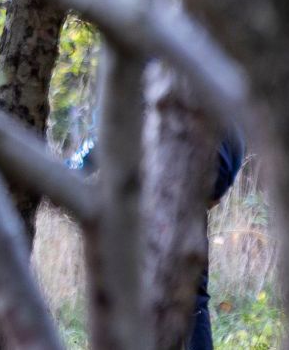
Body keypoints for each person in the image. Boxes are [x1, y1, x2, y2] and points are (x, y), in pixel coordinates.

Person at [70, 129, 245, 350]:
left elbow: (105, 134)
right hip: (204, 172)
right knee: (191, 296)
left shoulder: (147, 97)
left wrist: (69, 170)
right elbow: (235, 134)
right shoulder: (214, 100)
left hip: (167, 179)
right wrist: (221, 182)